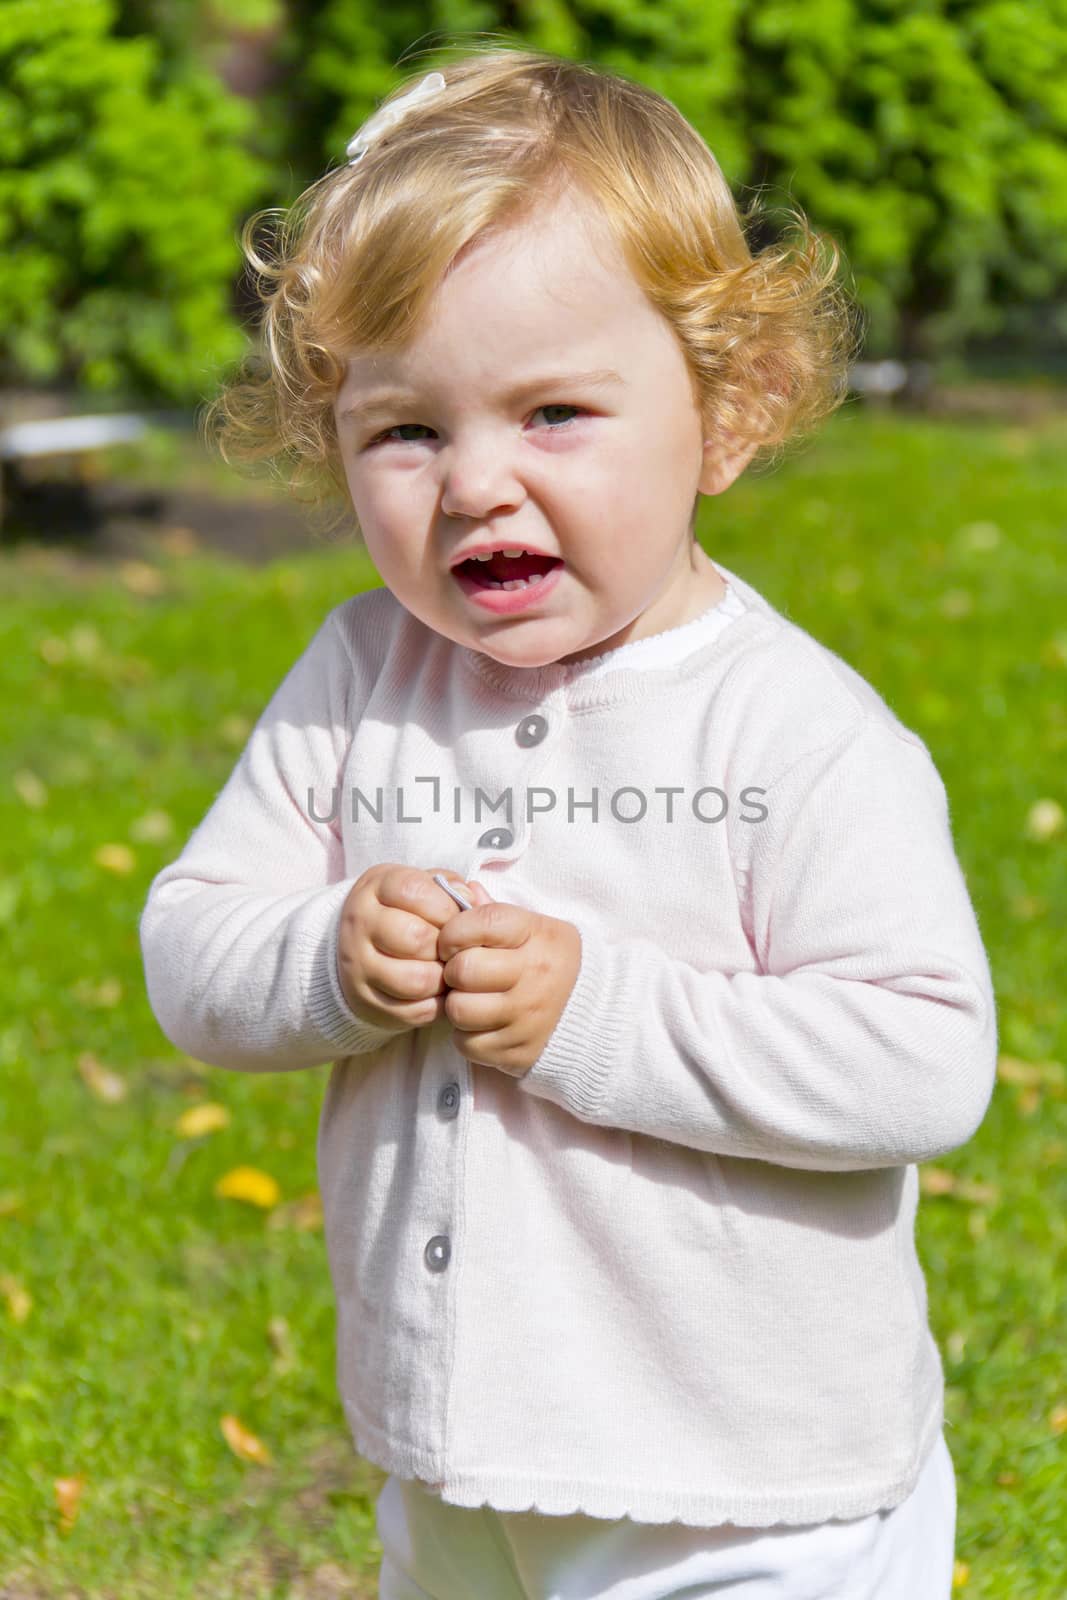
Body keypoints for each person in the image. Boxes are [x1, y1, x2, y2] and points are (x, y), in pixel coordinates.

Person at [139, 44, 997, 1600]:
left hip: (751, 1492)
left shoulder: (790, 730)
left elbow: (923, 1059)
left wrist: (596, 1010)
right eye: (406, 430)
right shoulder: (358, 681)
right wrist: (326, 954)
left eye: (552, 413)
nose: (476, 483)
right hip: (457, 1466)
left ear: (728, 413)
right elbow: (193, 945)